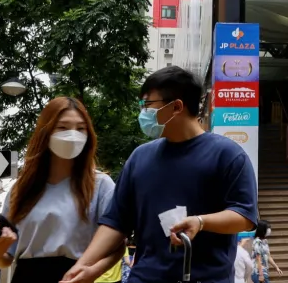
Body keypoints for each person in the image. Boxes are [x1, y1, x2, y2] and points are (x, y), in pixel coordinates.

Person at [64, 66, 258, 283]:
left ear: (176, 107)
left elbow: (245, 216)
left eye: (148, 105)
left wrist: (201, 222)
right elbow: (116, 222)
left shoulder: (228, 155)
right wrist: (82, 266)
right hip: (144, 277)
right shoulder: (140, 158)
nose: (143, 113)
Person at [0, 97, 116, 283]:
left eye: (81, 128)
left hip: (74, 278)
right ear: (45, 132)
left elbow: (117, 246)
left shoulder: (101, 185)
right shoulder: (21, 189)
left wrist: (91, 272)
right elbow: (5, 259)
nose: (73, 134)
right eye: (62, 127)